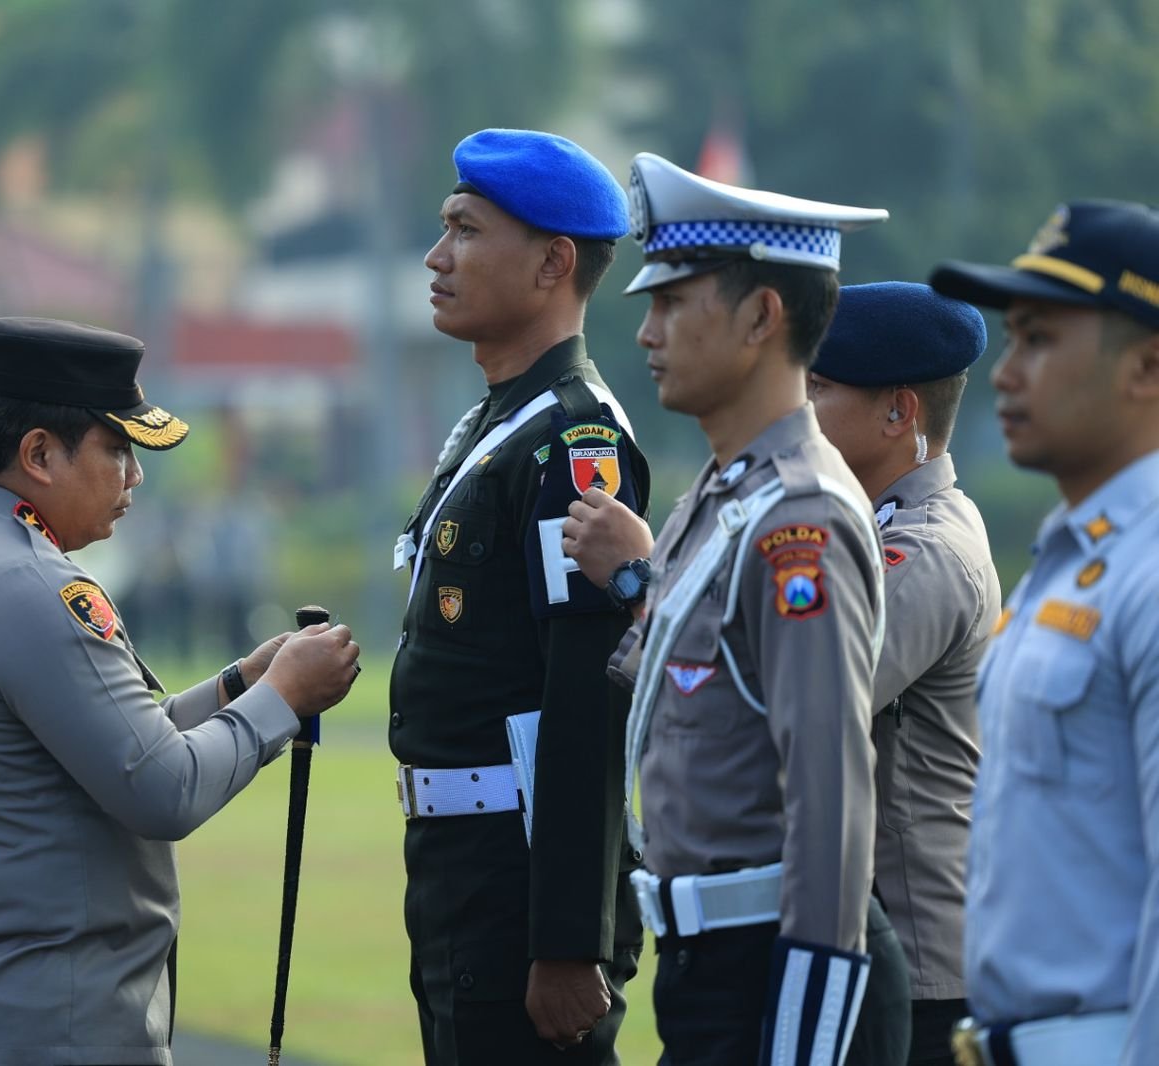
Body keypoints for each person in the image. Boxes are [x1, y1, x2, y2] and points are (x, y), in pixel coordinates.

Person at [0, 317, 360, 1066]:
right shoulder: (28, 582)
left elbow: (116, 741)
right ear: (38, 453)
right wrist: (283, 702)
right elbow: (161, 788)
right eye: (118, 449)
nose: (133, 477)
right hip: (39, 1027)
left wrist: (240, 685)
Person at [562, 153, 908, 1065]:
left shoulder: (800, 520)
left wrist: (804, 1037)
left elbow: (831, 810)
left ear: (762, 316)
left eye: (674, 303)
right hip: (710, 961)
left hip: (774, 967)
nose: (647, 333)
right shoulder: (726, 494)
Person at [389, 128, 651, 1065]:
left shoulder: (574, 441)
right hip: (463, 867)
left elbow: (585, 697)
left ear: (553, 262)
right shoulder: (499, 424)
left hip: (519, 875)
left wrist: (570, 938)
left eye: (465, 230)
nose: (436, 255)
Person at [929, 201, 1159, 1066]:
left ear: (1148, 365)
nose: (1005, 371)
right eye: (1011, 337)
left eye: (1041, 340)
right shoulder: (1073, 558)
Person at [807, 282, 1001, 1066]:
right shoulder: (872, 529)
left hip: (922, 962)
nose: (796, 409)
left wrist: (647, 589)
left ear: (898, 414)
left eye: (817, 389)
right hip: (878, 942)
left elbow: (802, 694)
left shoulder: (922, 552)